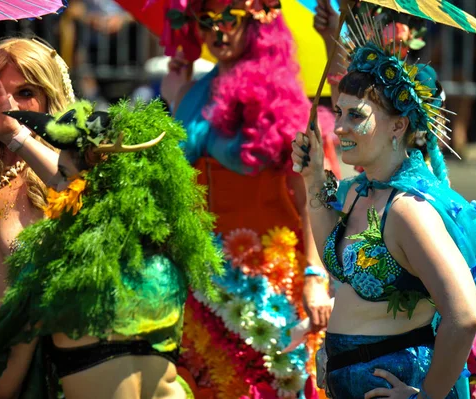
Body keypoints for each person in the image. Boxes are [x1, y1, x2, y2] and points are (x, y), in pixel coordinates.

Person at [292, 7, 476, 399]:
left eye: (356, 115)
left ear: (398, 126)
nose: (338, 127)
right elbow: (335, 261)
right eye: (338, 113)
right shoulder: (356, 192)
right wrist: (313, 178)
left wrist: (427, 397)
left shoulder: (408, 210)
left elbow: (465, 314)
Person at [0, 89, 223, 398]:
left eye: (62, 177)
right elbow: (82, 182)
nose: (56, 189)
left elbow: (2, 386)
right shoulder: (165, 265)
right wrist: (16, 136)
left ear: (83, 185)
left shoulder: (57, 271)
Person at [160, 0, 339, 396]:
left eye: (230, 18)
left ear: (256, 23)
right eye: (205, 21)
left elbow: (310, 191)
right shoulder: (190, 91)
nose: (217, 31)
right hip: (201, 274)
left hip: (266, 277)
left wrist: (314, 274)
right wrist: (175, 98)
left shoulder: (278, 96)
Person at [0, 37, 74, 397]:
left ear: (50, 100)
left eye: (25, 93)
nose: (8, 105)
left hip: (36, 383)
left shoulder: (63, 182)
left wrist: (16, 134)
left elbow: (82, 187)